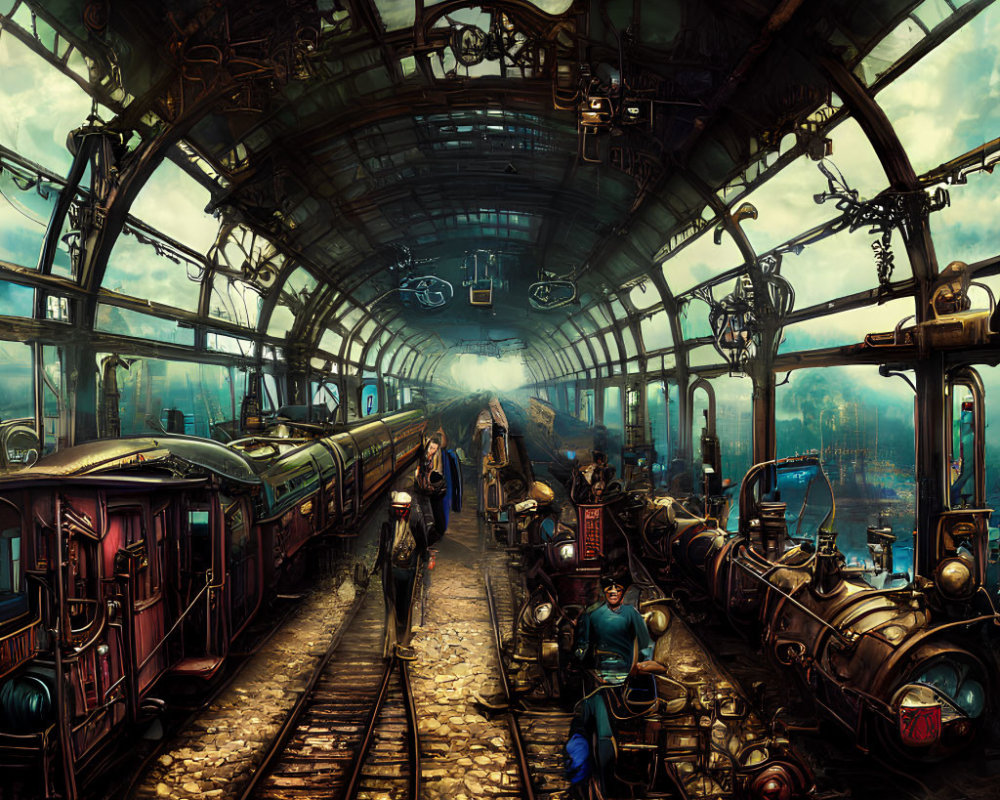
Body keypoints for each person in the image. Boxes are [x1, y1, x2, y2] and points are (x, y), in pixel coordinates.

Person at [566, 575, 663, 796]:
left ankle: (590, 776)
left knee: (586, 721)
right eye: (609, 589)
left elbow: (583, 649)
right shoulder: (607, 615)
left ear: (620, 592)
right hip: (614, 677)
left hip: (616, 678)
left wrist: (577, 656)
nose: (612, 592)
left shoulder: (618, 615)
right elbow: (646, 645)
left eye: (616, 589)